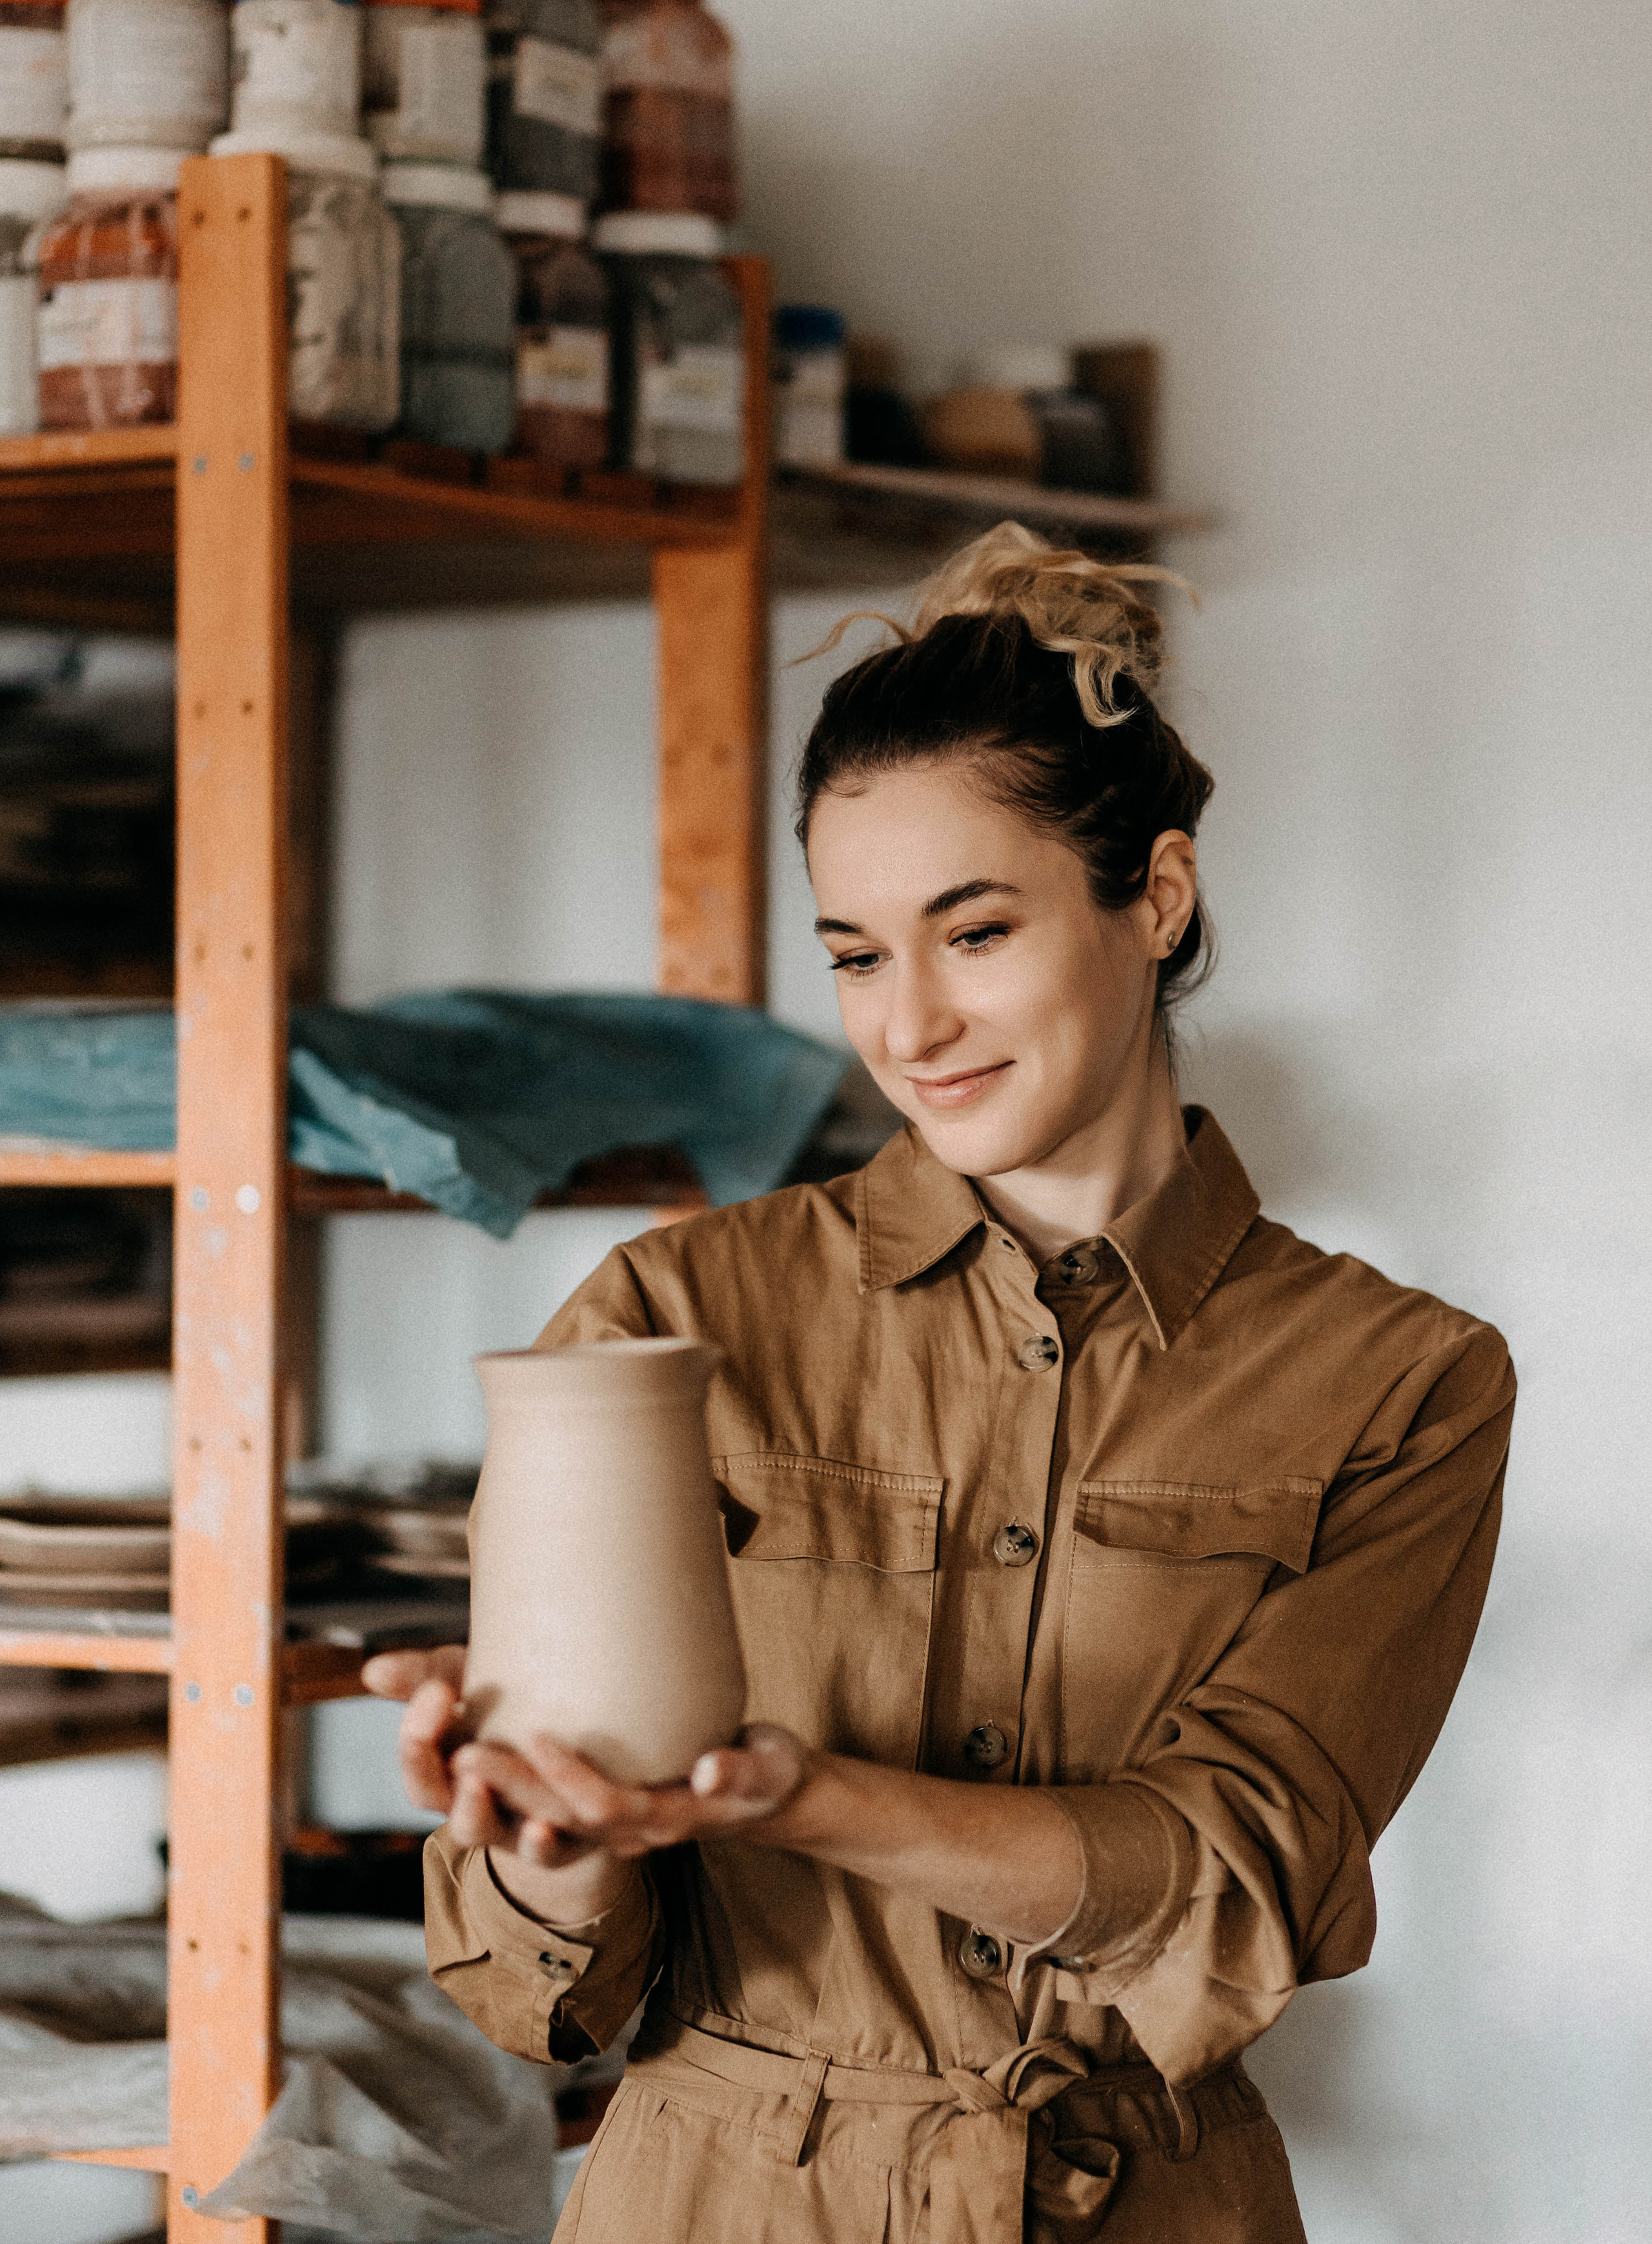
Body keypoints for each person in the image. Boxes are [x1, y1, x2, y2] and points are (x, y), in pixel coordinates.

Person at [365, 523, 1515, 2242]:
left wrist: (804, 1800)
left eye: (974, 931)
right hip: (719, 2199)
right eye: (853, 954)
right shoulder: (666, 1321)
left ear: (1158, 895)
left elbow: (1221, 1883)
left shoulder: (1399, 1382)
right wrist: (547, 1827)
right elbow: (537, 1988)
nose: (908, 1024)